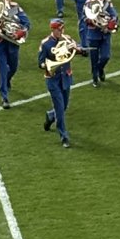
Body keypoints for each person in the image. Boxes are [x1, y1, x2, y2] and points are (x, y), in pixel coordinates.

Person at [0, 0, 30, 108]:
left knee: (13, 67)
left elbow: (27, 23)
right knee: (2, 70)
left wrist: (21, 32)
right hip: (0, 43)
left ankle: (7, 80)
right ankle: (4, 98)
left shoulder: (14, 8)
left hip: (12, 43)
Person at [38, 19, 75, 147]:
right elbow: (40, 62)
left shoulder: (67, 39)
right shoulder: (46, 44)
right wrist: (48, 66)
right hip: (52, 79)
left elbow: (76, 51)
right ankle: (63, 136)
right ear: (53, 30)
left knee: (64, 106)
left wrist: (79, 49)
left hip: (65, 77)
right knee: (60, 108)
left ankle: (50, 116)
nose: (61, 32)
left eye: (62, 29)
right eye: (59, 30)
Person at [83, 0, 118, 86]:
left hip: (105, 34)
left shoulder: (108, 3)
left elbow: (114, 14)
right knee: (93, 58)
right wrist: (91, 21)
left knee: (105, 56)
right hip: (93, 34)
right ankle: (95, 78)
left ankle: (100, 69)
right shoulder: (88, 4)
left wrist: (111, 23)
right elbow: (84, 18)